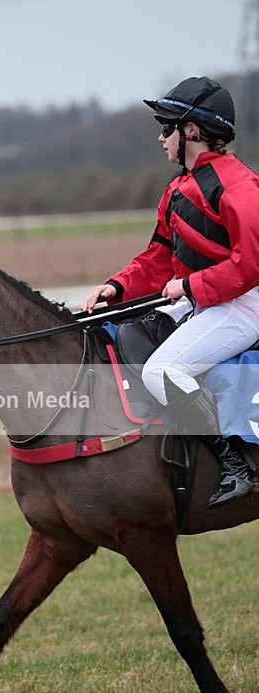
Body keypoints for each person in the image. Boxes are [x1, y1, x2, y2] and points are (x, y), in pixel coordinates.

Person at [82, 76, 259, 508]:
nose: (161, 138)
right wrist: (116, 286)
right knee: (119, 332)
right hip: (208, 301)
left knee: (162, 371)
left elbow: (250, 265)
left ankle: (237, 466)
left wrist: (189, 285)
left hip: (244, 303)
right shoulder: (179, 187)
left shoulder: (239, 187)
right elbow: (158, 257)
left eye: (167, 128)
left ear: (193, 132)